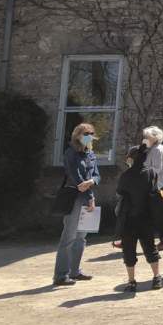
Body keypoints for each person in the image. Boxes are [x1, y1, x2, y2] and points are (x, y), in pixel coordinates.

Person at [53, 121, 100, 286]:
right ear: (77, 136)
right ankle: (60, 275)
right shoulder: (70, 153)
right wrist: (88, 194)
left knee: (81, 237)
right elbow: (75, 177)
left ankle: (75, 271)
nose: (89, 138)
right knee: (69, 236)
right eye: (85, 134)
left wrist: (91, 182)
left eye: (90, 134)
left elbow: (97, 175)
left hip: (88, 196)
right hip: (75, 196)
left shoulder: (91, 154)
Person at [116, 143, 163, 291]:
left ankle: (131, 282)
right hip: (146, 217)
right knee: (150, 248)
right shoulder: (151, 173)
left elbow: (120, 192)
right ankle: (157, 277)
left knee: (129, 251)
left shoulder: (125, 176)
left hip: (129, 218)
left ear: (130, 159)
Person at [142, 126, 163, 250]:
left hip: (159, 186)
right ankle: (162, 240)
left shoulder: (157, 150)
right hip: (158, 185)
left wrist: (142, 169)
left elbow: (156, 169)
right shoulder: (155, 148)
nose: (145, 139)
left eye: (147, 137)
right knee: (157, 215)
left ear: (154, 138)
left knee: (159, 215)